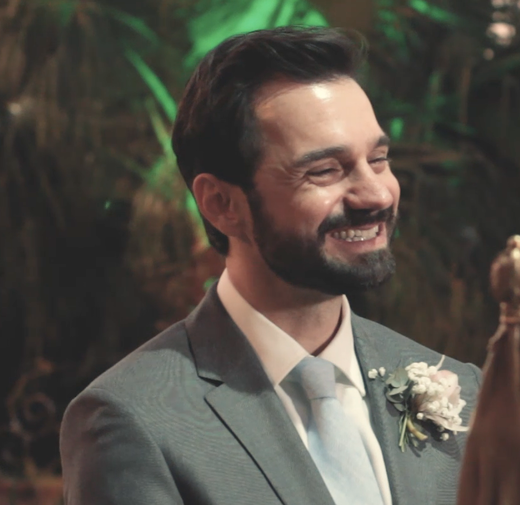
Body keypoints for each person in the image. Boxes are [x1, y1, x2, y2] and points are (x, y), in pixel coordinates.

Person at [60, 27, 480, 505]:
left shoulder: (463, 388)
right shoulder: (133, 418)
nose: (377, 194)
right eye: (325, 170)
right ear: (221, 204)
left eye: (379, 159)